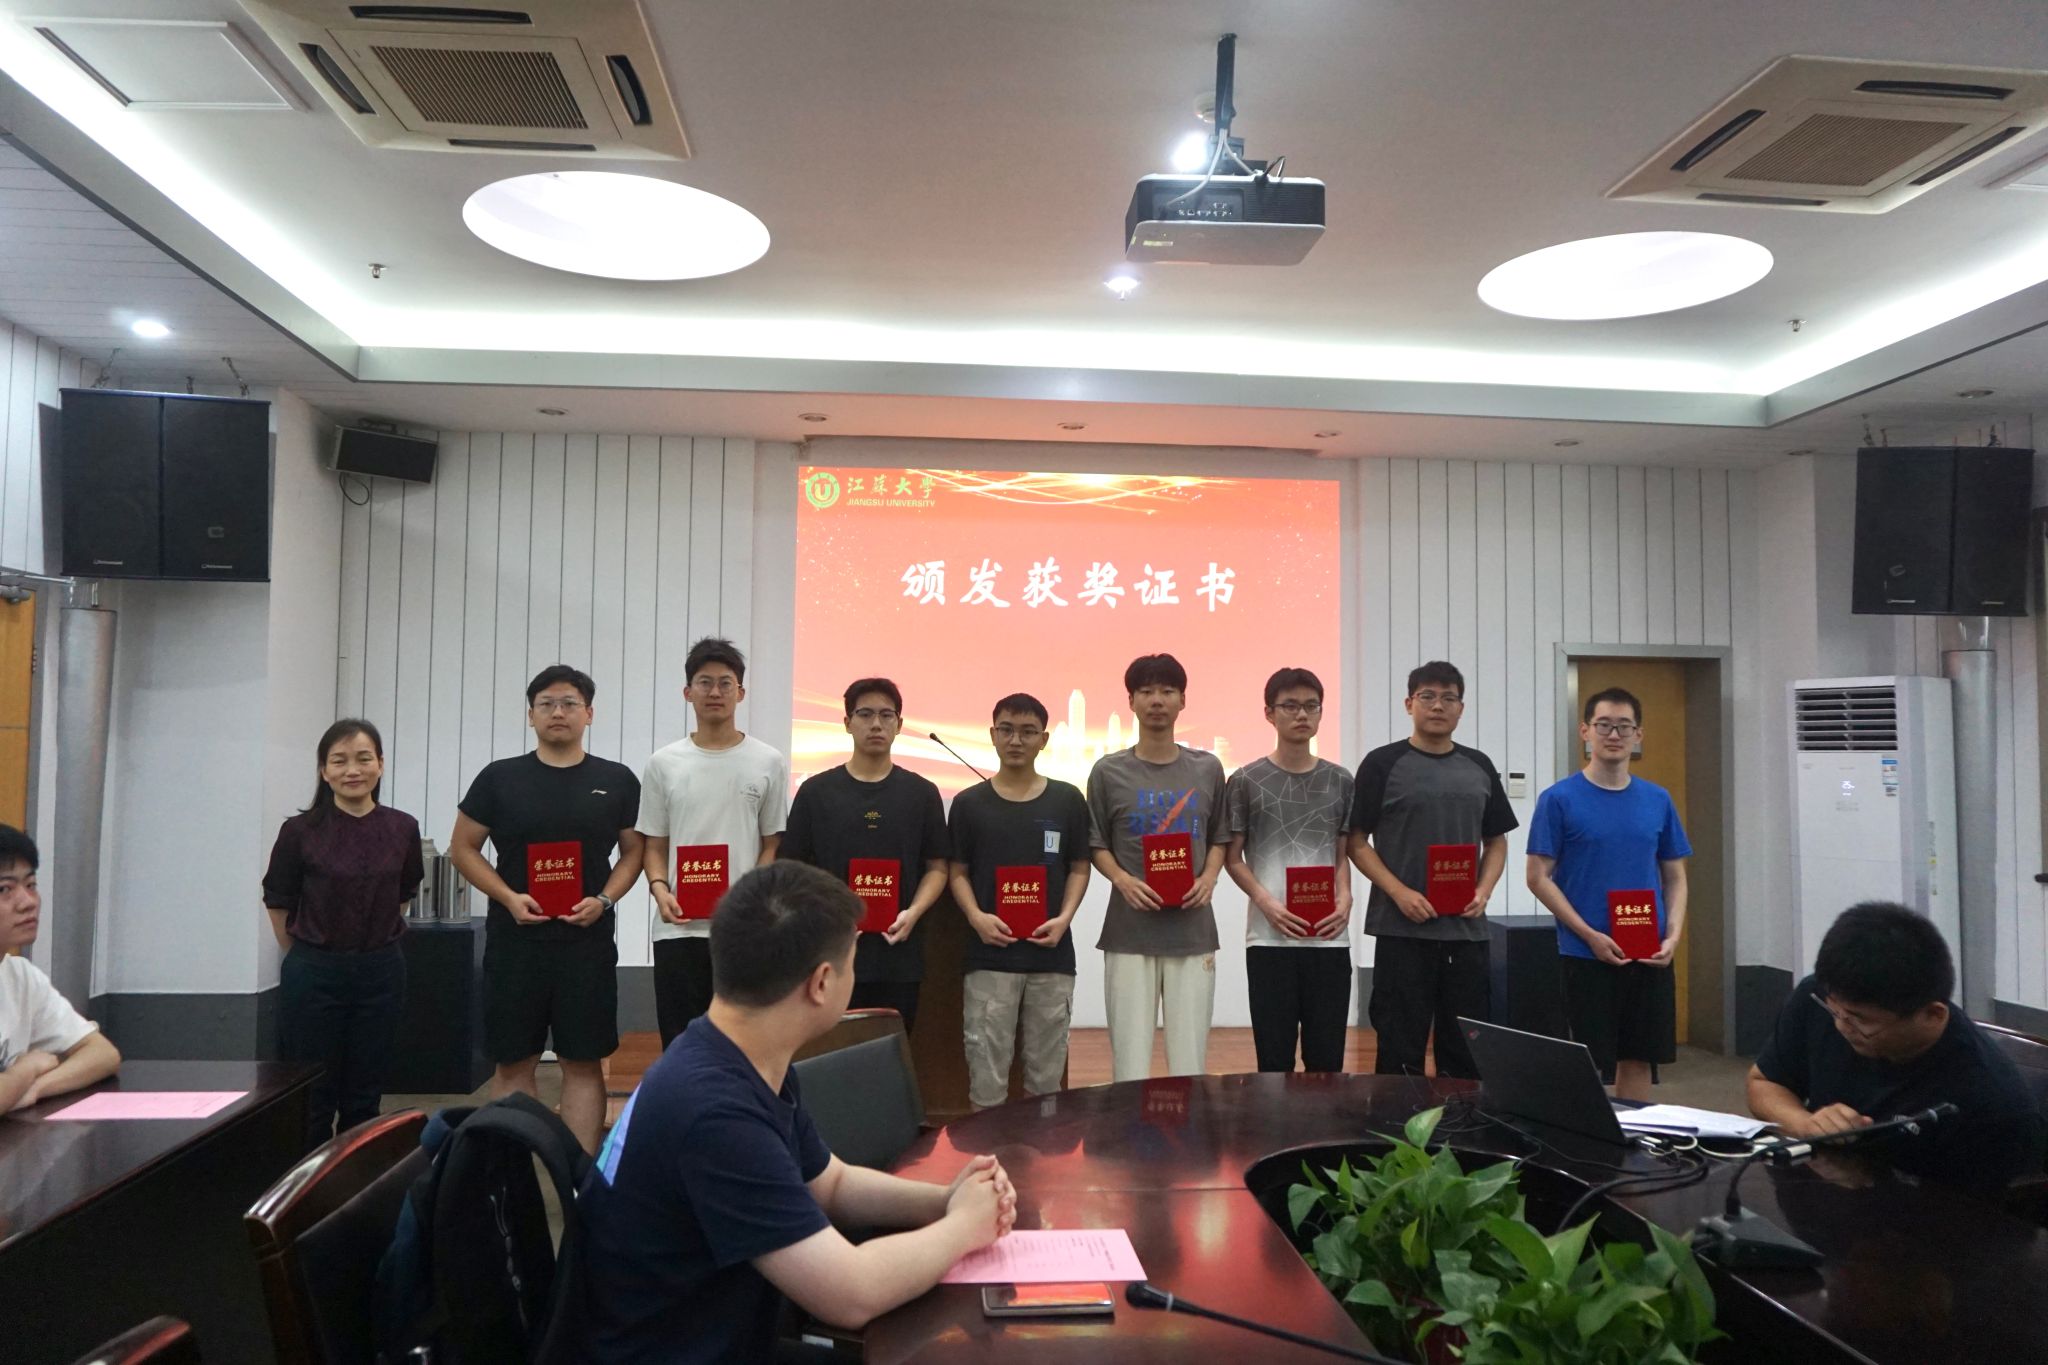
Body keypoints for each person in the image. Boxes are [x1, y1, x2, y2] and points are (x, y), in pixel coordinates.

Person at [580, 861, 1015, 1363]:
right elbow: (850, 1293)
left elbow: (829, 1183)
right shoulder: (715, 1114)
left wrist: (946, 1200)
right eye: (852, 962)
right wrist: (964, 1227)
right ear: (822, 982)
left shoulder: (737, 1054)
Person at [450, 666, 643, 1154]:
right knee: (514, 1062)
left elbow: (634, 852)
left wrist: (605, 899)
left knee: (583, 1061)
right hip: (515, 942)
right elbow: (463, 848)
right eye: (547, 704)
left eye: (570, 703)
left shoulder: (616, 780)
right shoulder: (499, 778)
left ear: (589, 714)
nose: (559, 712)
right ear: (531, 715)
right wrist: (507, 897)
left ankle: (577, 1178)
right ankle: (515, 1175)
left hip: (586, 943)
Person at [1748, 902, 2046, 1201]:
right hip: (1818, 1201)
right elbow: (1764, 1083)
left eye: (1861, 1020)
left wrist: (1873, 1183)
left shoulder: (1991, 1106)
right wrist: (1806, 1125)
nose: (1841, 1026)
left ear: (1933, 1015)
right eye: (1834, 1011)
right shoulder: (1822, 997)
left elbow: (1978, 1221)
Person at [1347, 662, 1517, 1079]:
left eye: (1448, 698)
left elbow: (1496, 840)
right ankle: (1397, 1123)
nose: (1438, 706)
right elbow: (1356, 841)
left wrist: (1484, 890)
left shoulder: (1479, 765)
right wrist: (1398, 892)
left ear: (1461, 708)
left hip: (1466, 932)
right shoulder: (1382, 763)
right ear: (1409, 704)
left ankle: (1461, 1123)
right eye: (1427, 696)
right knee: (1399, 1049)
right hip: (1402, 931)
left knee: (1465, 1054)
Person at [262, 719, 424, 1149]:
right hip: (314, 972)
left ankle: (355, 1179)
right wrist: (307, 953)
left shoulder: (402, 828)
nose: (353, 770)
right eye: (339, 761)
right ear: (324, 770)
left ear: (381, 765)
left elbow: (403, 892)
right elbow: (278, 899)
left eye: (363, 758)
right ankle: (309, 1185)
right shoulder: (299, 832)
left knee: (365, 1094)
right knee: (313, 1093)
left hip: (381, 971)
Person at [1525, 686, 1689, 1101]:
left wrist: (1672, 936)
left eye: (1624, 726)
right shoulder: (1558, 799)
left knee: (1638, 1058)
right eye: (1603, 725)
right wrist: (1587, 934)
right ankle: (1589, 1135)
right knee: (1587, 1061)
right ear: (1585, 731)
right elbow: (1538, 877)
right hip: (1585, 953)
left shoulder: (1658, 799)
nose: (1614, 735)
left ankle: (1633, 1135)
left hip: (1647, 952)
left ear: (1638, 735)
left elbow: (1675, 877)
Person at [639, 638, 788, 1048]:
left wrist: (750, 898)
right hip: (678, 929)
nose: (715, 692)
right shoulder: (663, 763)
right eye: (705, 682)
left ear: (741, 692)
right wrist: (660, 890)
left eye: (725, 683)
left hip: (743, 929)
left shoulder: (768, 761)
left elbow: (772, 843)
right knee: (682, 1045)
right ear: (688, 692)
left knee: (747, 1045)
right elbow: (654, 843)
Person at [1087, 653, 1229, 1082]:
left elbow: (1221, 835)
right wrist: (1122, 880)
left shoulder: (1207, 768)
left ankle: (1189, 1129)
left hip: (1192, 928)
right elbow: (1095, 841)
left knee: (1190, 1065)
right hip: (1130, 931)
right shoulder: (1108, 771)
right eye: (1146, 691)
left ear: (1183, 700)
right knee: (1129, 1066)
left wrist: (1209, 877)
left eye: (1167, 691)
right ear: (1130, 701)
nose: (1156, 700)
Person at [948, 692, 1092, 1109]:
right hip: (989, 957)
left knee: (1046, 1082)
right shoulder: (969, 803)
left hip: (1051, 956)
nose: (1016, 740)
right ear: (992, 734)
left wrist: (1064, 918)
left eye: (1028, 732)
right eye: (1007, 730)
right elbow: (956, 871)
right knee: (986, 1079)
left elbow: (1079, 867)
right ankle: (988, 1152)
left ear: (1044, 740)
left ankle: (1042, 1153)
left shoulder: (1067, 799)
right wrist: (976, 917)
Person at [781, 678, 948, 1031]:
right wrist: (826, 920)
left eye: (886, 715)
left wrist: (914, 913)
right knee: (832, 1053)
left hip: (899, 953)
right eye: (865, 714)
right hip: (830, 954)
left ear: (899, 725)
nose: (876, 724)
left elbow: (937, 867)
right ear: (847, 722)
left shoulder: (922, 793)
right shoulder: (816, 792)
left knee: (892, 1051)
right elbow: (792, 870)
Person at [1224, 667, 1356, 1073]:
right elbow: (1233, 858)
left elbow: (1340, 853)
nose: (1302, 715)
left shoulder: (1340, 780)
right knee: (1274, 1059)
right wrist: (1266, 903)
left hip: (1329, 938)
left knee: (1327, 1060)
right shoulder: (1245, 780)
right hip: (1269, 939)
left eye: (1311, 706)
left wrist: (1346, 897)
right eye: (1291, 706)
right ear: (1269, 713)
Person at [0, 823, 120, 1112]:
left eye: (31, 885)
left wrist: (35, 1088)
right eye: (5, 889)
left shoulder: (20, 976)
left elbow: (102, 1054)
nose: (28, 903)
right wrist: (26, 1069)